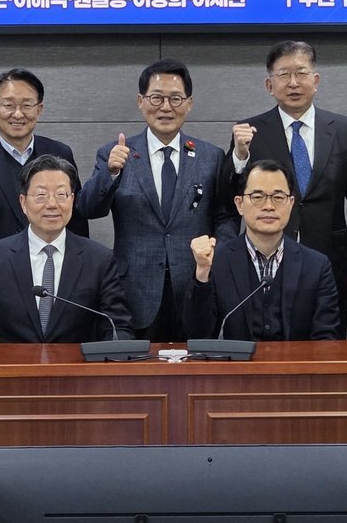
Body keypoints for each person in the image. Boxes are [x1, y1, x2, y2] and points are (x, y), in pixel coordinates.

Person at [78, 59, 235, 341]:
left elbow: (225, 216)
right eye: (156, 98)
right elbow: (87, 208)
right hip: (133, 290)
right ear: (141, 101)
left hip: (195, 286)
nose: (165, 107)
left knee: (197, 365)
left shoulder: (211, 156)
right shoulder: (116, 153)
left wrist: (216, 251)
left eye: (175, 98)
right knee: (137, 368)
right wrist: (110, 173)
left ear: (189, 104)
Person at [229, 40, 347, 337]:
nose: (293, 83)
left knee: (327, 344)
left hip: (331, 261)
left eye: (301, 73)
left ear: (315, 80)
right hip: (265, 262)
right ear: (269, 85)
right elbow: (229, 197)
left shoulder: (345, 130)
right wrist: (240, 156)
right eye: (283, 75)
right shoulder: (249, 132)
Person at [0, 155, 133, 343]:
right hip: (11, 366)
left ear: (72, 200)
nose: (52, 204)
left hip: (74, 366)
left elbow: (118, 326)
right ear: (23, 202)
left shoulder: (98, 259)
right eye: (41, 195)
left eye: (61, 195)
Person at [184, 159, 340, 341]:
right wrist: (202, 273)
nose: (268, 206)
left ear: (291, 203)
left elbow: (326, 339)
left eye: (278, 197)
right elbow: (197, 334)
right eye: (257, 197)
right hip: (235, 360)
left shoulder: (316, 265)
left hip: (295, 360)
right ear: (239, 204)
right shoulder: (216, 260)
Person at [0, 68, 88, 245]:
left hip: (53, 258)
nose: (17, 114)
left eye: (26, 105)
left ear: (39, 110)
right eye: (8, 105)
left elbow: (76, 218)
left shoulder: (60, 153)